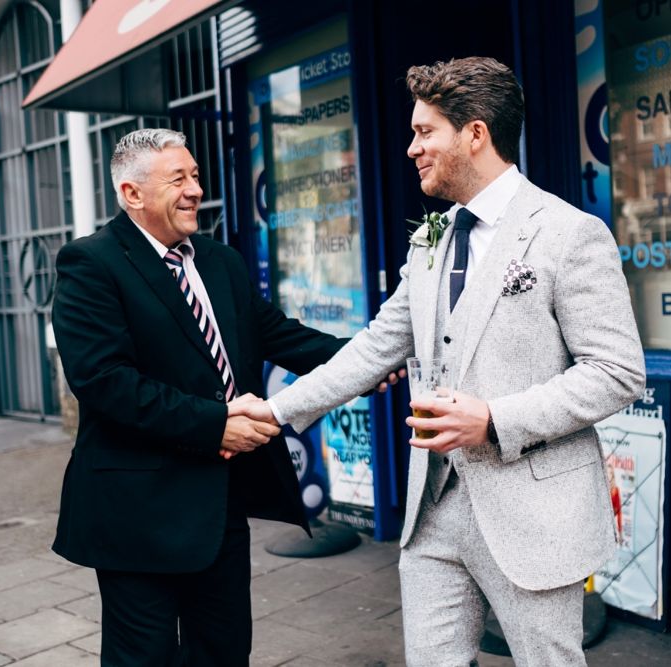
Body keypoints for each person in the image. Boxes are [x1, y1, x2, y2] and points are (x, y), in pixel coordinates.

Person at [232, 57, 645, 666]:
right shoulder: (431, 239)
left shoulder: (569, 233)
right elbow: (375, 347)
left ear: (475, 133)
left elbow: (617, 370)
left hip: (532, 515)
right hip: (432, 512)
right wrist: (273, 411)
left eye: (425, 132)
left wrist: (494, 419)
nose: (411, 148)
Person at [51, 128, 349, 666]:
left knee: (225, 650)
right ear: (132, 193)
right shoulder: (91, 263)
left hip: (219, 502)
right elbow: (103, 382)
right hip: (136, 513)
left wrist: (370, 360)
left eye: (195, 176)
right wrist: (216, 423)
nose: (194, 190)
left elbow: (279, 335)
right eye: (178, 179)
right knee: (145, 657)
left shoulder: (219, 261)